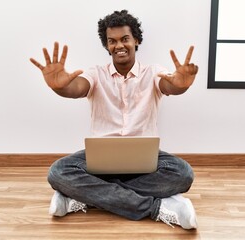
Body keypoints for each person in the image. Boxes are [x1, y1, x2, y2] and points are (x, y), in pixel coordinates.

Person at [30, 10, 199, 230]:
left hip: (144, 159)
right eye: (112, 41)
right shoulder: (96, 74)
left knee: (183, 174)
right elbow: (76, 88)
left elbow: (170, 85)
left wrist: (181, 84)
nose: (119, 45)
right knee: (58, 172)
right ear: (107, 45)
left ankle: (81, 197)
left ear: (136, 40)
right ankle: (158, 208)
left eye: (124, 39)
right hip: (100, 160)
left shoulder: (153, 72)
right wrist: (60, 87)